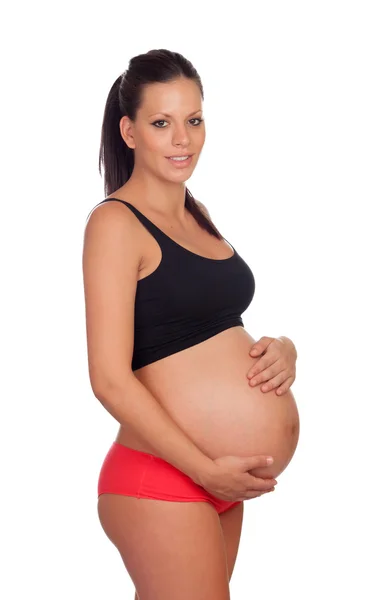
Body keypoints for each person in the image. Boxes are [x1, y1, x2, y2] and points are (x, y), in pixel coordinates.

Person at [82, 48, 300, 600]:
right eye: (162, 123)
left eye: (194, 120)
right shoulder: (115, 224)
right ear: (129, 132)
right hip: (166, 477)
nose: (183, 139)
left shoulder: (196, 214)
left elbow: (212, 327)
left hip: (219, 480)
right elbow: (108, 378)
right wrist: (204, 470)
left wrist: (285, 350)